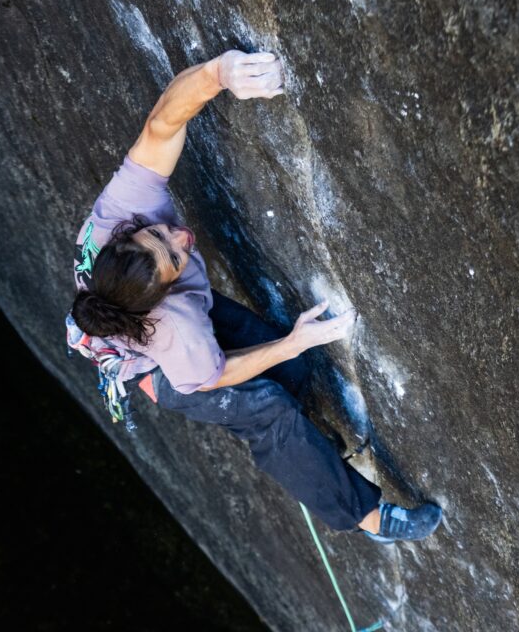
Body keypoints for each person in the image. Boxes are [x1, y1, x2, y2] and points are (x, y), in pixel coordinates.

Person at [69, 50, 442, 542]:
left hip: (173, 319)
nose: (181, 238)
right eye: (175, 258)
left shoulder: (121, 215)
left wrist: (217, 74)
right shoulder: (171, 328)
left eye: (159, 233)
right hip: (169, 372)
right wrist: (294, 340)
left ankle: (311, 452)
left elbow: (162, 124)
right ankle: (367, 517)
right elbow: (211, 377)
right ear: (162, 297)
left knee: (293, 373)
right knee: (268, 409)